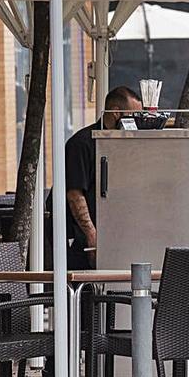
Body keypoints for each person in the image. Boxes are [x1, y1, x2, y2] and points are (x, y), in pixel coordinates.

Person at [61, 86, 143, 269]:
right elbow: (75, 194)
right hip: (81, 236)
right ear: (116, 113)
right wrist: (91, 234)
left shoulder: (123, 145)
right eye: (133, 116)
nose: (135, 123)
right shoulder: (82, 144)